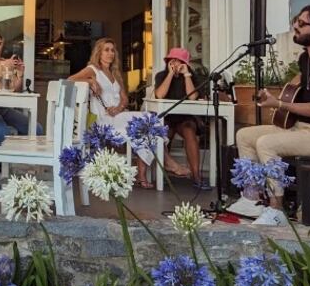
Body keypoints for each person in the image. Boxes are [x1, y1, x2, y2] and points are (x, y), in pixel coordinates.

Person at [232, 5, 310, 221]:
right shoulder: (305, 59)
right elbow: (299, 85)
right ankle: (252, 198)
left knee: (267, 143)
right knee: (244, 136)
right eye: (296, 20)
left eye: (302, 23)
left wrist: (280, 104)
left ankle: (276, 210)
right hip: (303, 128)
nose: (295, 26)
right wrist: (277, 95)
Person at [69, 38, 158, 188]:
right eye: (106, 50)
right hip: (103, 120)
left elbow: (124, 99)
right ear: (99, 53)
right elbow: (70, 79)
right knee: (148, 121)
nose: (110, 53)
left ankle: (142, 173)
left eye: (112, 50)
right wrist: (90, 81)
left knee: (148, 122)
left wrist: (118, 108)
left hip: (118, 115)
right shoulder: (93, 69)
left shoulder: (115, 73)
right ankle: (158, 167)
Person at [0, 30, 43, 147]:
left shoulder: (6, 63)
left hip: (4, 108)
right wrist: (3, 68)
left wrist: (20, 74)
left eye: (0, 43)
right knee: (0, 129)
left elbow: (14, 89)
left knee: (37, 128)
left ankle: (17, 158)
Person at [153, 47, 209, 189]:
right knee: (164, 132)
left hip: (185, 118)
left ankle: (196, 175)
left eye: (179, 61)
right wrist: (171, 74)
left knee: (190, 131)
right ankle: (163, 173)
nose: (176, 64)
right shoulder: (161, 76)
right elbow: (159, 95)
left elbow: (193, 96)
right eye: (173, 60)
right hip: (167, 117)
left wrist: (186, 75)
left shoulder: (193, 77)